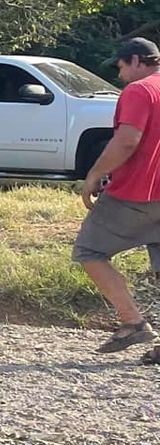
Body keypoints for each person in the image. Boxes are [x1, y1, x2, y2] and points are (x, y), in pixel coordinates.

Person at [75, 36, 160, 353]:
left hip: (138, 193)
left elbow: (127, 141)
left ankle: (132, 323)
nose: (120, 73)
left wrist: (95, 174)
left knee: (89, 250)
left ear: (137, 60)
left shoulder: (139, 90)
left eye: (122, 65)